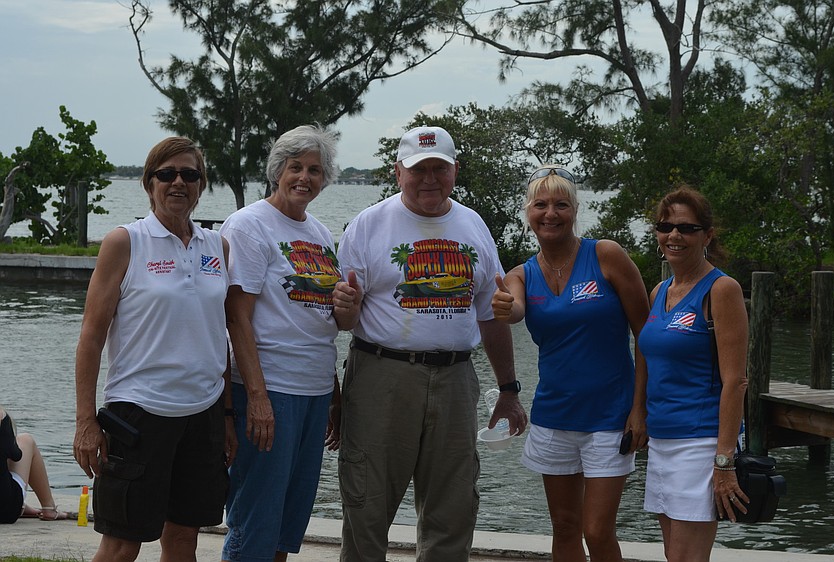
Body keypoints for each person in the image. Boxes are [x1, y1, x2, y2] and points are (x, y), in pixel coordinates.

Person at [331, 125, 528, 561]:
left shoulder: (472, 224)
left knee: (453, 506)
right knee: (367, 503)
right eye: (419, 169)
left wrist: (510, 390)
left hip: (457, 377)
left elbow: (490, 313)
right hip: (381, 374)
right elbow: (343, 321)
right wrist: (344, 306)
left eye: (440, 168)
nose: (429, 179)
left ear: (455, 170)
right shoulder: (368, 225)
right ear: (398, 171)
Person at [73, 137, 235, 562]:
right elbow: (91, 336)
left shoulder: (217, 246)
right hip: (140, 413)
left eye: (190, 174)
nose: (178, 182)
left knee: (184, 538)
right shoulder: (124, 242)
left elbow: (221, 334)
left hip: (203, 413)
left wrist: (229, 415)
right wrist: (86, 421)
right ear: (149, 184)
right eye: (167, 174)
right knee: (123, 542)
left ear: (202, 185)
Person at [491, 165, 650, 562]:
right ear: (528, 213)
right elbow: (514, 308)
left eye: (561, 204)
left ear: (575, 209)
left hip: (610, 417)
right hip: (554, 416)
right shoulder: (520, 275)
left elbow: (647, 335)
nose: (551, 213)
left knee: (596, 530)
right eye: (541, 204)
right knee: (563, 527)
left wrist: (640, 408)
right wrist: (506, 309)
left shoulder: (607, 255)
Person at [219, 124, 343, 562]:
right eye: (295, 167)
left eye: (315, 169)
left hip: (313, 390)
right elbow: (237, 317)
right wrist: (255, 396)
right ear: (277, 171)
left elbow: (316, 318)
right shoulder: (250, 225)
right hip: (269, 389)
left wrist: (334, 393)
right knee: (255, 520)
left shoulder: (322, 234)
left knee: (287, 526)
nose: (304, 178)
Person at [638, 186, 749, 562]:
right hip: (662, 442)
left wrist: (724, 461)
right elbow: (649, 362)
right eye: (665, 226)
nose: (674, 236)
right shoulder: (659, 291)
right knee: (674, 556)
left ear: (707, 235)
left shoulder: (721, 290)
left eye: (686, 228)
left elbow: (736, 381)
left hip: (699, 445)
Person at [1, 406, 69, 523]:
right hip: (5, 510)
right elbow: (16, 455)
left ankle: (22, 505)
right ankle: (49, 508)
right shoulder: (1, 416)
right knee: (26, 440)